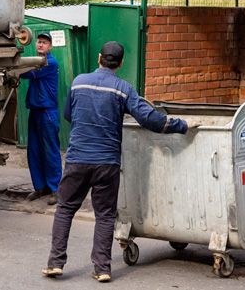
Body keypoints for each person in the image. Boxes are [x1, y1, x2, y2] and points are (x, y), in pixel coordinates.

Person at [41, 41, 195, 283]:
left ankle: (55, 263)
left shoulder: (79, 81)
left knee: (65, 208)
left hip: (77, 159)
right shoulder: (123, 89)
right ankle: (102, 268)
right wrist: (181, 125)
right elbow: (149, 118)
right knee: (104, 215)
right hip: (107, 163)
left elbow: (69, 115)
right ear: (120, 63)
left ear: (99, 58)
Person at [20, 32, 62, 206]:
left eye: (44, 43)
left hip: (47, 113)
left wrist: (12, 64)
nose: (40, 45)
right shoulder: (35, 62)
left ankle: (56, 189)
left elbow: (26, 74)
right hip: (35, 112)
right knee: (35, 151)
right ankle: (40, 187)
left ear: (50, 46)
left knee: (50, 151)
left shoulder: (49, 63)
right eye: (38, 42)